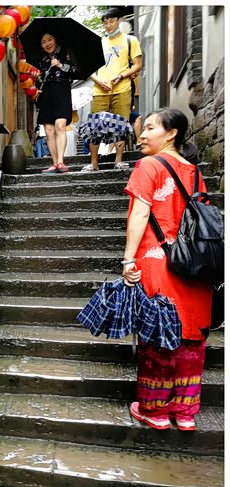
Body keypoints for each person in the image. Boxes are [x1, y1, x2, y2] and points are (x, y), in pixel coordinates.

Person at [121, 108, 212, 432]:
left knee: (158, 335)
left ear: (171, 133)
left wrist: (128, 259)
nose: (142, 135)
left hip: (159, 261)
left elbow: (140, 214)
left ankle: (155, 410)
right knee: (191, 337)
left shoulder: (149, 165)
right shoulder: (195, 172)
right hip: (196, 267)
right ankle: (185, 412)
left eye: (149, 128)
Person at [83, 8, 142, 171]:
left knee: (120, 125)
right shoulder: (99, 43)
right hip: (100, 89)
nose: (108, 25)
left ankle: (118, 160)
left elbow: (138, 65)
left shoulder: (130, 40)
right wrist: (98, 81)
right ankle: (93, 163)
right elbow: (88, 68)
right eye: (105, 22)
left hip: (122, 88)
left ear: (119, 21)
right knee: (95, 126)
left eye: (111, 21)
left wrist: (122, 76)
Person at [33, 32, 78, 173]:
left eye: (50, 39)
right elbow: (39, 78)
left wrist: (60, 65)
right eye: (43, 41)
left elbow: (75, 71)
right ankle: (54, 163)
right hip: (46, 93)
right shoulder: (40, 57)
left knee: (60, 126)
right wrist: (36, 78)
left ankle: (60, 162)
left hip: (62, 90)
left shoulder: (66, 52)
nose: (47, 44)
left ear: (55, 40)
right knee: (49, 130)